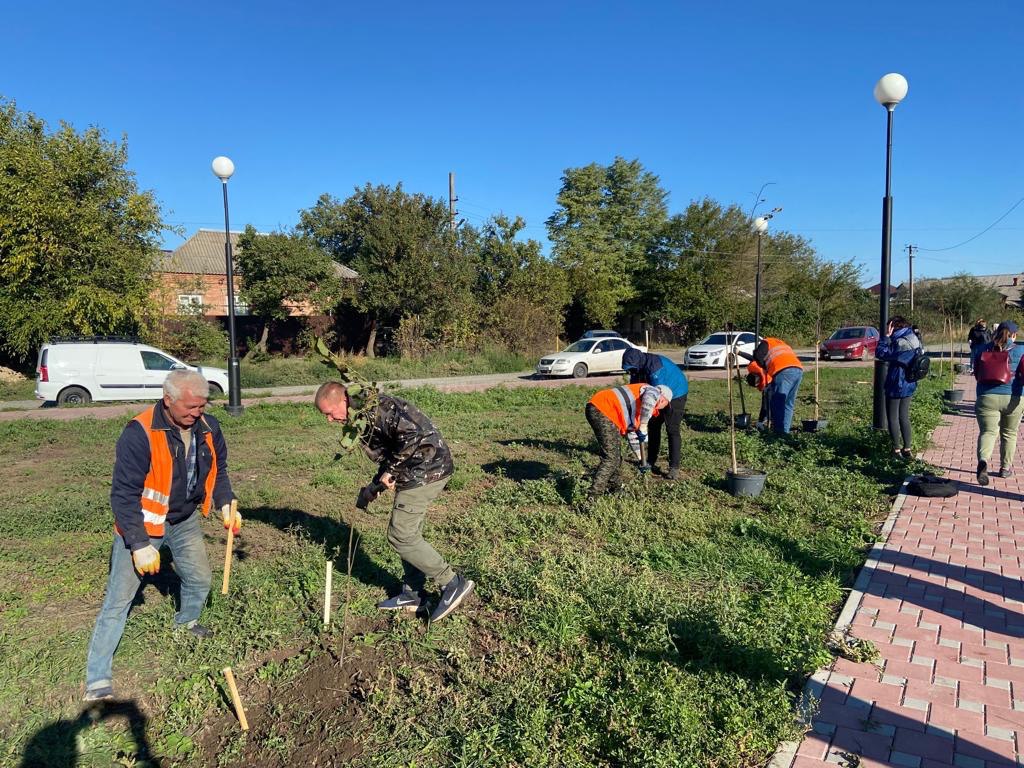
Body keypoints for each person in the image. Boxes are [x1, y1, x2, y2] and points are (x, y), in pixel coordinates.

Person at [85, 370, 240, 702]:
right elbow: (123, 494)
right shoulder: (139, 433)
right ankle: (97, 677)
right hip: (144, 524)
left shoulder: (209, 427)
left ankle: (187, 622)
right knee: (119, 599)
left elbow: (219, 470)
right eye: (190, 407)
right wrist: (139, 544)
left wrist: (226, 501)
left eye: (202, 406)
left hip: (184, 520)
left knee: (199, 578)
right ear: (168, 400)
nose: (197, 413)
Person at [315, 382, 474, 622]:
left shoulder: (379, 408)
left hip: (427, 468)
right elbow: (391, 453)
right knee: (408, 533)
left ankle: (452, 583)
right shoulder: (362, 416)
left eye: (329, 413)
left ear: (343, 401)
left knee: (400, 535)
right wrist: (375, 486)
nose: (329, 420)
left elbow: (412, 436)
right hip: (414, 471)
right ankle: (413, 594)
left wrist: (390, 472)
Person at [585, 383, 671, 495]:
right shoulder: (652, 391)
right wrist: (644, 424)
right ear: (663, 399)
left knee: (616, 457)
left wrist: (641, 459)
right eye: (665, 404)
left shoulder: (639, 410)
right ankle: (593, 495)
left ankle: (615, 488)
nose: (662, 408)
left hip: (604, 411)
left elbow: (633, 435)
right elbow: (649, 400)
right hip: (602, 408)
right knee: (611, 458)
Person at [621, 349, 688, 480]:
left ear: (638, 363)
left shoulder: (655, 368)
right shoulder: (637, 369)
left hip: (676, 392)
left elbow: (656, 397)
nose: (631, 372)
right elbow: (635, 391)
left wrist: (643, 420)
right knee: (653, 427)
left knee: (672, 429)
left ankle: (674, 467)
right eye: (629, 370)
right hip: (658, 392)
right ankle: (651, 461)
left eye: (632, 369)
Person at [971, 320, 1024, 485]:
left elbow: (977, 373)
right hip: (1014, 397)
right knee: (1009, 433)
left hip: (987, 397)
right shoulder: (1021, 350)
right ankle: (1005, 468)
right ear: (1013, 335)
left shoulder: (982, 349)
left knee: (988, 432)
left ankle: (983, 461)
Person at [875, 315, 923, 459]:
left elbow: (881, 353)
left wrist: (885, 338)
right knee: (904, 416)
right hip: (909, 382)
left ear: (893, 327)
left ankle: (896, 450)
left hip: (896, 382)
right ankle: (907, 449)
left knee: (892, 417)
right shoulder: (914, 338)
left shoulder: (900, 342)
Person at [738, 337, 804, 434]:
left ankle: (778, 434)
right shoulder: (781, 343)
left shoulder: (766, 342)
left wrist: (765, 368)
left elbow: (757, 355)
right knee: (788, 404)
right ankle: (785, 433)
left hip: (783, 371)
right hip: (798, 370)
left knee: (778, 403)